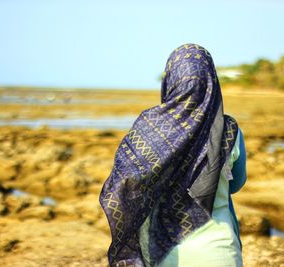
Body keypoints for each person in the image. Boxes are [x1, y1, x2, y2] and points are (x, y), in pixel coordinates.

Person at [99, 43, 247, 267]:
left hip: (164, 255)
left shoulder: (149, 128)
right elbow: (236, 184)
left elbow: (126, 184)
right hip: (220, 251)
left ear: (171, 80)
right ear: (211, 82)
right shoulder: (229, 130)